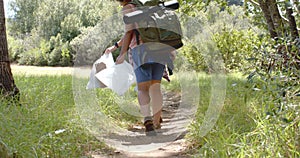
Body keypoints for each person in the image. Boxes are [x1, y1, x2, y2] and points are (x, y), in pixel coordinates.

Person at [105, 0, 174, 136]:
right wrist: (115, 46)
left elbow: (129, 33)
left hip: (141, 50)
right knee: (155, 87)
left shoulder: (128, 8)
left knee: (143, 88)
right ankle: (156, 122)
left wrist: (122, 53)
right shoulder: (148, 5)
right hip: (159, 49)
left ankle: (147, 120)